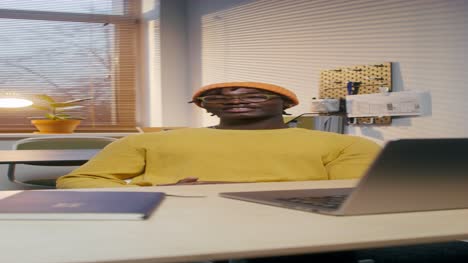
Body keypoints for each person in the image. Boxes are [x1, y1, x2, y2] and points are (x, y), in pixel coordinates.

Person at [57, 82, 380, 189]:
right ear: (206, 108)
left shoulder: (346, 144)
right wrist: (159, 194)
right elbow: (77, 181)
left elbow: (350, 192)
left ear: (285, 104)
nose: (235, 100)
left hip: (297, 228)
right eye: (220, 97)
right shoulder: (147, 141)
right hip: (172, 222)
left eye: (252, 95)